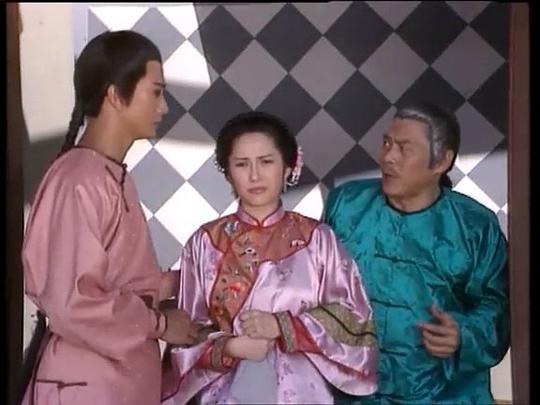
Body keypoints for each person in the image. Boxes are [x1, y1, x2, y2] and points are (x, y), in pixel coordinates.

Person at [20, 30, 199, 405]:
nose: (164, 108)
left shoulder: (109, 175)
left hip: (119, 383)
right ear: (115, 95)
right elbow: (73, 301)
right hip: (85, 386)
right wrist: (162, 325)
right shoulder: (79, 180)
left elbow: (127, 281)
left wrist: (203, 276)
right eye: (156, 92)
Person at [161, 111, 378, 404]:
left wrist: (283, 326)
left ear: (289, 167)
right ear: (228, 173)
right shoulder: (206, 242)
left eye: (266, 162)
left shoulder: (317, 239)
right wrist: (230, 348)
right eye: (241, 164)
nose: (255, 175)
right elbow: (186, 331)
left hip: (303, 394)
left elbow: (354, 319)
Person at [324, 102, 509, 404]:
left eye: (404, 148)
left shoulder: (474, 226)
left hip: (442, 394)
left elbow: (496, 305)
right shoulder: (346, 204)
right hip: (354, 391)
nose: (388, 157)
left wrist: (462, 334)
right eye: (387, 143)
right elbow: (315, 282)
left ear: (441, 161)